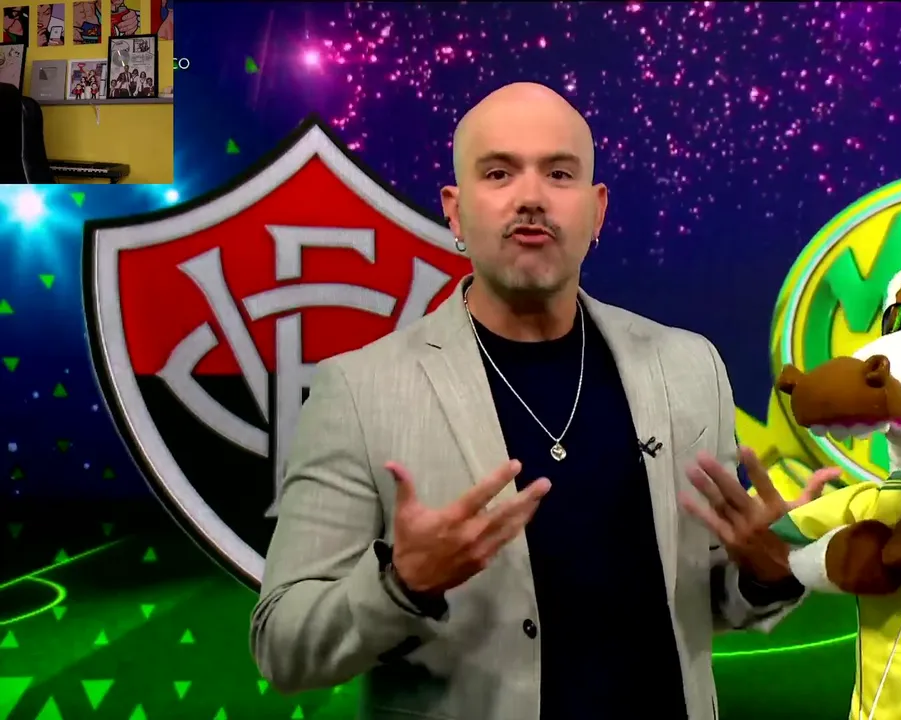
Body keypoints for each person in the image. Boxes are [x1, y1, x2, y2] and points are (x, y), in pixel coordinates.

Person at [250, 82, 835, 720]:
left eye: (559, 173)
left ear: (597, 210)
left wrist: (767, 571)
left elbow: (705, 598)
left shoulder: (689, 367)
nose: (531, 197)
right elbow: (283, 647)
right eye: (498, 173)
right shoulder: (360, 390)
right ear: (454, 212)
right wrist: (401, 586)